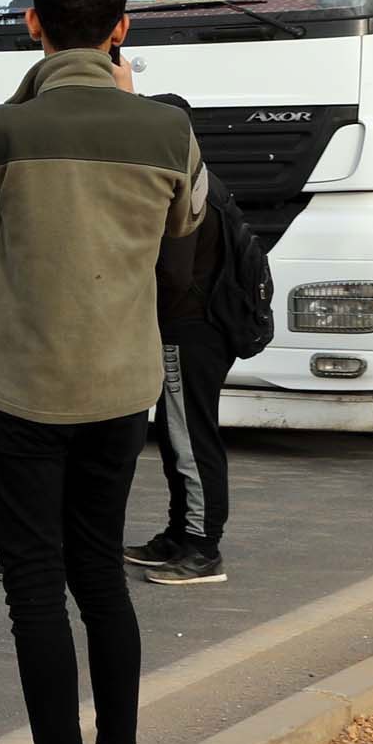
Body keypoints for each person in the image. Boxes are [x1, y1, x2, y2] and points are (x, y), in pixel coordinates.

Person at [0, 0, 202, 744]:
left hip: (24, 387)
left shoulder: (1, 132)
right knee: (101, 575)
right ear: (122, 29)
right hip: (123, 386)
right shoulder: (169, 131)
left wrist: (25, 96)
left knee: (37, 588)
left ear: (32, 24)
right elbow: (189, 218)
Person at [130, 90, 234, 589]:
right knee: (179, 437)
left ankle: (202, 548)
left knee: (190, 439)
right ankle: (178, 534)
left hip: (187, 329)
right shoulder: (203, 182)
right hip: (200, 328)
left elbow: (172, 274)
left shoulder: (186, 192)